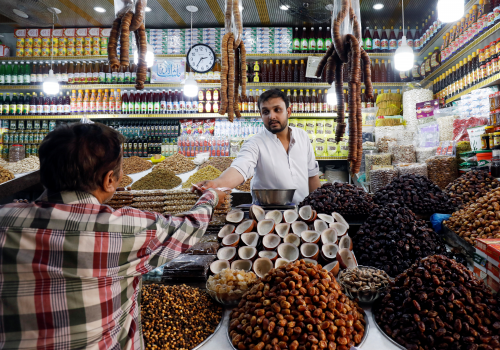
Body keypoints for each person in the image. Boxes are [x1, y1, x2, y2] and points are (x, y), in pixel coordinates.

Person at [0, 122, 226, 349]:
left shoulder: (5, 220)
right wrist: (211, 197)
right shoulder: (126, 227)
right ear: (109, 180)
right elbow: (191, 225)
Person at [193, 89, 321, 204]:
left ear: (288, 111)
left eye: (277, 110)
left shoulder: (302, 137)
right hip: (268, 217)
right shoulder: (255, 143)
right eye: (266, 112)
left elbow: (312, 176)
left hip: (303, 214)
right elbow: (240, 169)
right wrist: (217, 183)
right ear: (261, 115)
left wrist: (317, 206)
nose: (272, 116)